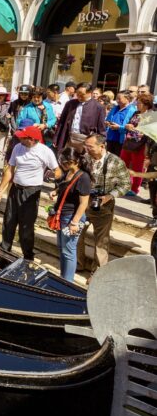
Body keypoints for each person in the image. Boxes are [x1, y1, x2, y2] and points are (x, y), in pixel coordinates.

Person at [0, 126, 60, 262]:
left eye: (23, 137)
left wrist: (54, 181)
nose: (19, 138)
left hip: (32, 192)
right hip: (15, 189)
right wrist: (0, 190)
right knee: (9, 220)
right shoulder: (18, 147)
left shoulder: (45, 151)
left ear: (31, 139)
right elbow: (10, 170)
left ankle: (28, 256)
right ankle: (5, 250)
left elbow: (58, 171)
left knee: (27, 225)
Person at [78, 133, 130, 273]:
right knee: (76, 235)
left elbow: (126, 185)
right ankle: (78, 264)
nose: (87, 149)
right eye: (86, 146)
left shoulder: (116, 162)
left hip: (104, 205)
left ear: (102, 146)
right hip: (83, 201)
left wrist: (109, 196)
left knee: (101, 241)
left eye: (90, 147)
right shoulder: (84, 159)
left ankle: (98, 274)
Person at [51, 147, 92, 282]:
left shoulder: (84, 177)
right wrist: (56, 192)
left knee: (69, 251)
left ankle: (68, 281)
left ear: (75, 161)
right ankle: (63, 277)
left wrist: (74, 222)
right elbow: (65, 186)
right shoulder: (68, 173)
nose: (63, 165)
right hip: (61, 215)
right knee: (62, 248)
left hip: (72, 218)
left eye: (66, 162)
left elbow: (83, 203)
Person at [54, 81, 106, 152]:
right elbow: (61, 122)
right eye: (77, 94)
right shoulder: (70, 104)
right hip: (69, 137)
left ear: (89, 93)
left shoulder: (98, 107)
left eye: (82, 94)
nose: (79, 96)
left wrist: (100, 144)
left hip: (86, 140)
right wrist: (56, 138)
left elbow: (101, 128)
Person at [121, 92, 153, 196]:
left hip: (141, 145)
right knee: (123, 163)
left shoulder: (150, 116)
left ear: (146, 104)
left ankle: (134, 189)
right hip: (129, 143)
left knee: (137, 167)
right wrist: (127, 126)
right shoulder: (136, 113)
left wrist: (133, 129)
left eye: (139, 103)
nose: (137, 105)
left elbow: (147, 132)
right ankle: (125, 184)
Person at [105, 90, 136, 156]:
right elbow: (108, 119)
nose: (117, 100)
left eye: (119, 99)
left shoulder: (132, 110)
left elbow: (132, 127)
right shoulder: (115, 108)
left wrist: (119, 127)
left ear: (127, 99)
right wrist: (107, 123)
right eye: (117, 98)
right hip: (110, 137)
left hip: (121, 140)